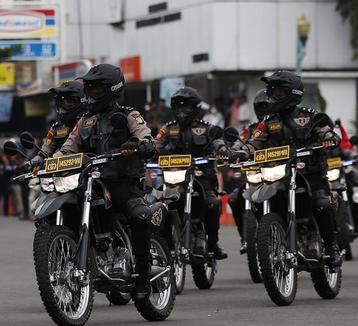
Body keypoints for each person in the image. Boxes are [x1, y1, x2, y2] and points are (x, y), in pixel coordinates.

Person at [54, 64, 156, 299]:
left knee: (140, 215)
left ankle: (142, 275)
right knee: (70, 207)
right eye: (89, 88)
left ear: (112, 89)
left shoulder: (129, 115)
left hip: (122, 182)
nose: (91, 93)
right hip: (91, 181)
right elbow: (67, 149)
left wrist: (141, 145)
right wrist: (47, 164)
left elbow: (145, 135)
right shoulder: (84, 121)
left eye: (97, 89)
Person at [234, 71, 342, 267]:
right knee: (258, 200)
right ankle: (274, 237)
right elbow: (254, 142)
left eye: (278, 91)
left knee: (321, 203)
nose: (273, 95)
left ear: (292, 93)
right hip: (280, 174)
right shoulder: (267, 122)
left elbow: (326, 130)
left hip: (309, 173)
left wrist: (329, 138)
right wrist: (242, 152)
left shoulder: (311, 116)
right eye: (272, 91)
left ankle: (332, 247)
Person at [154, 86, 228, 260]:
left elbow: (218, 141)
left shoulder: (206, 127)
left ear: (195, 108)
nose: (182, 111)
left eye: (186, 107)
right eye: (179, 107)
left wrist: (223, 150)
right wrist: (147, 152)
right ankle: (166, 244)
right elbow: (156, 145)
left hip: (202, 177)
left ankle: (213, 243)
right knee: (159, 204)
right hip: (174, 177)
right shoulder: (168, 128)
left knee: (213, 204)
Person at [224, 88, 270, 254]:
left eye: (268, 106)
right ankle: (245, 238)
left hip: (281, 175)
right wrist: (232, 153)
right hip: (256, 175)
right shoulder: (250, 129)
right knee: (235, 198)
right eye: (262, 107)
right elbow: (239, 143)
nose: (265, 110)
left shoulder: (284, 124)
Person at [29, 81, 86, 171]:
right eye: (62, 101)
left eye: (68, 101)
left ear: (80, 101)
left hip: (91, 171)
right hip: (64, 174)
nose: (64, 104)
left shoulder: (89, 121)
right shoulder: (57, 128)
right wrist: (34, 162)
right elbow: (46, 149)